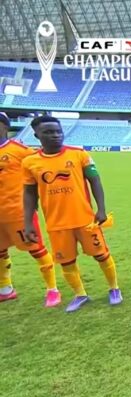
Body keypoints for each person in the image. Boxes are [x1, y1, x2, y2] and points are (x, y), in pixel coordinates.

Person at [22, 115, 120, 313]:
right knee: (66, 262)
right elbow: (29, 193)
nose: (55, 135)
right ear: (37, 135)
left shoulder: (78, 154)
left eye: (58, 131)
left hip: (85, 220)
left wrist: (100, 209)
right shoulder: (30, 162)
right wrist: (28, 223)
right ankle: (80, 294)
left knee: (101, 255)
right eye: (48, 132)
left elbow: (95, 180)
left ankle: (114, 289)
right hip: (56, 223)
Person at [0, 113, 59, 305]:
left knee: (36, 249)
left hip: (18, 213)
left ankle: (52, 289)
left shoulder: (20, 151)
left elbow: (42, 167)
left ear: (4, 126)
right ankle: (5, 288)